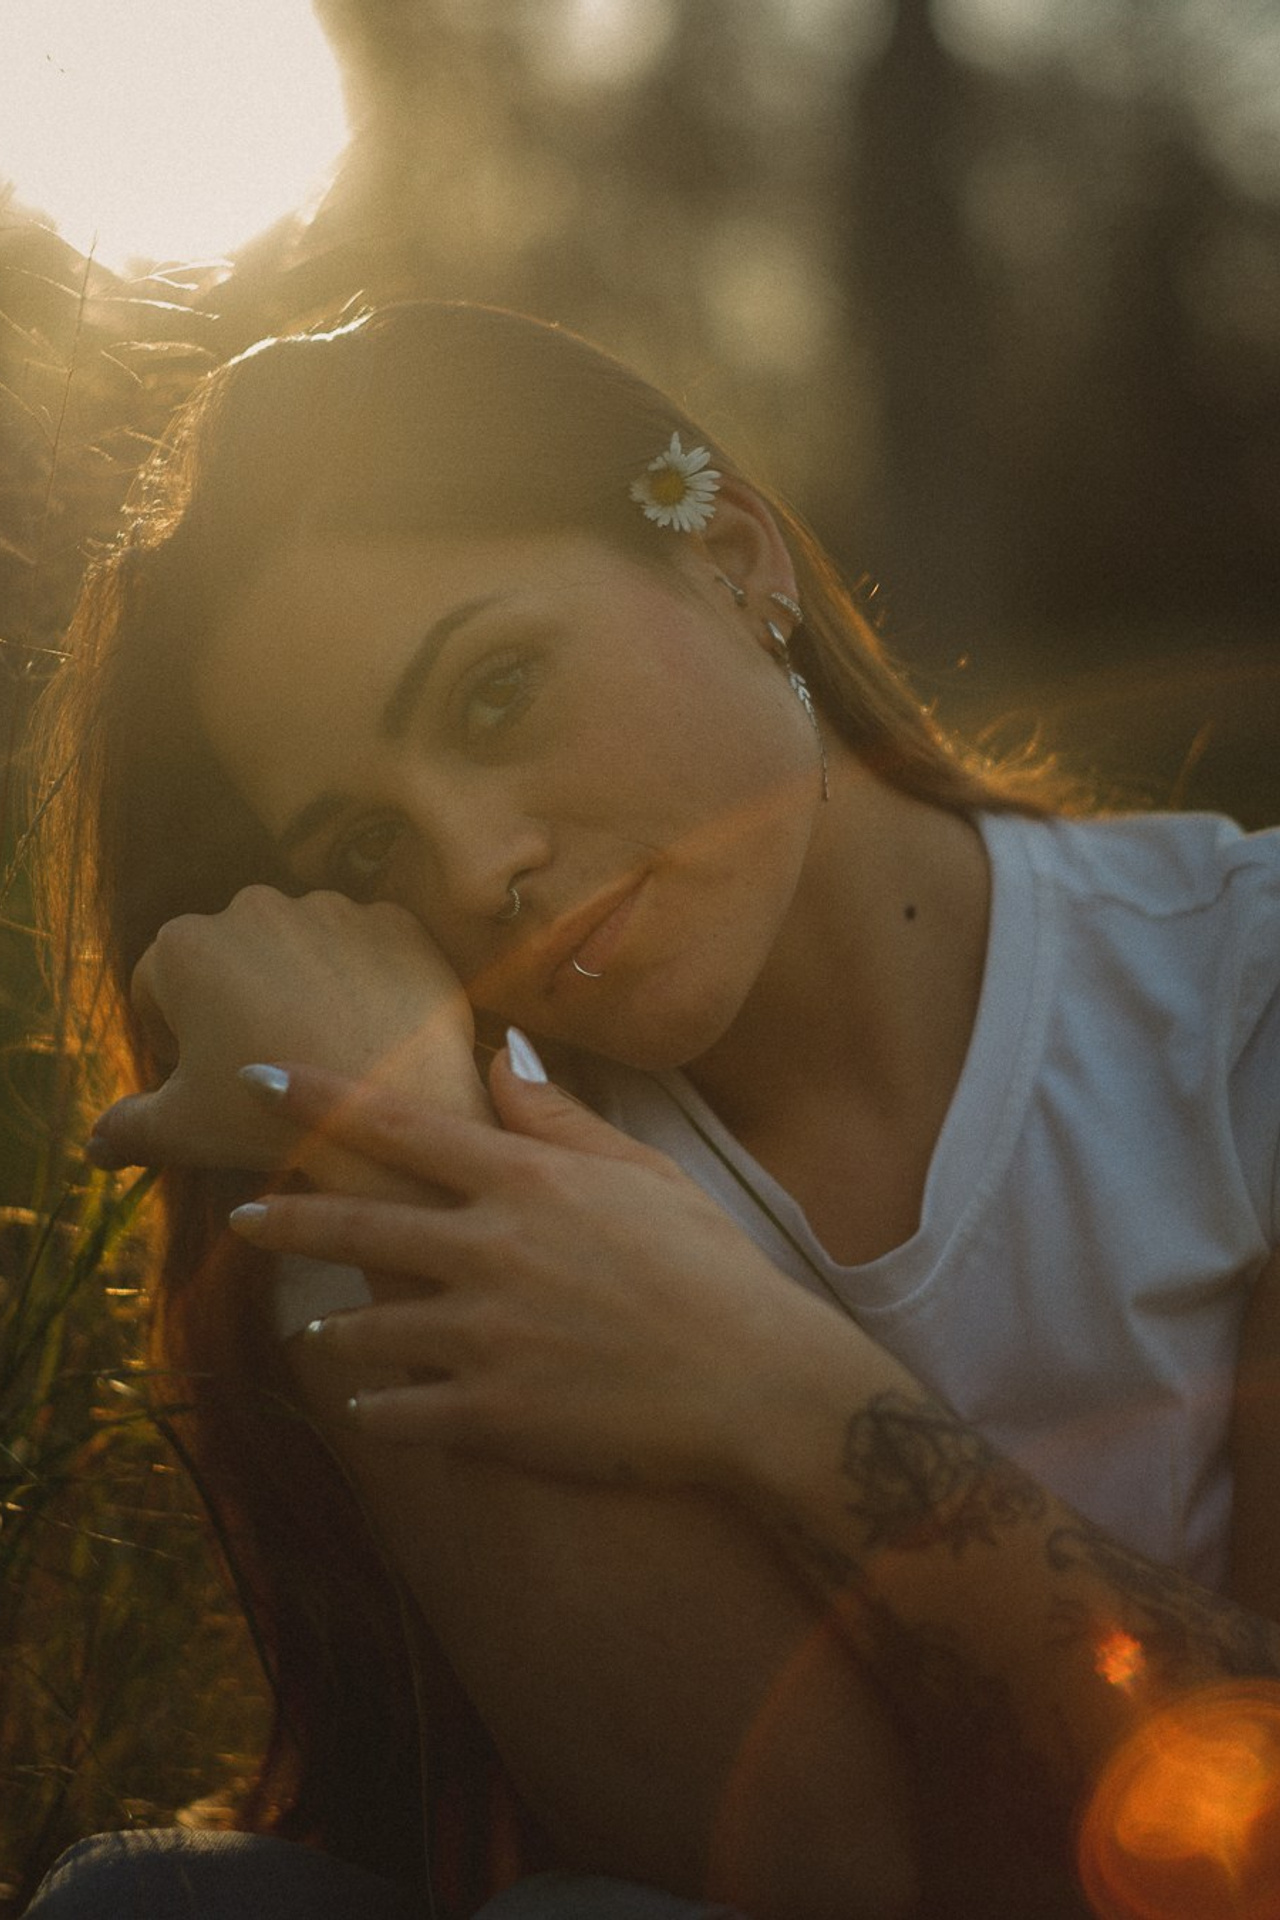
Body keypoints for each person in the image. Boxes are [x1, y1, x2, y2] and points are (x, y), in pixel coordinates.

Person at [26, 301, 1280, 1920]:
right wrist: (412, 1166)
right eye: (364, 846)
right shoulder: (416, 1124)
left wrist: (766, 1387)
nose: (476, 870)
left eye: (495, 692)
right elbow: (800, 1873)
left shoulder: (1239, 992)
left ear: (734, 556)